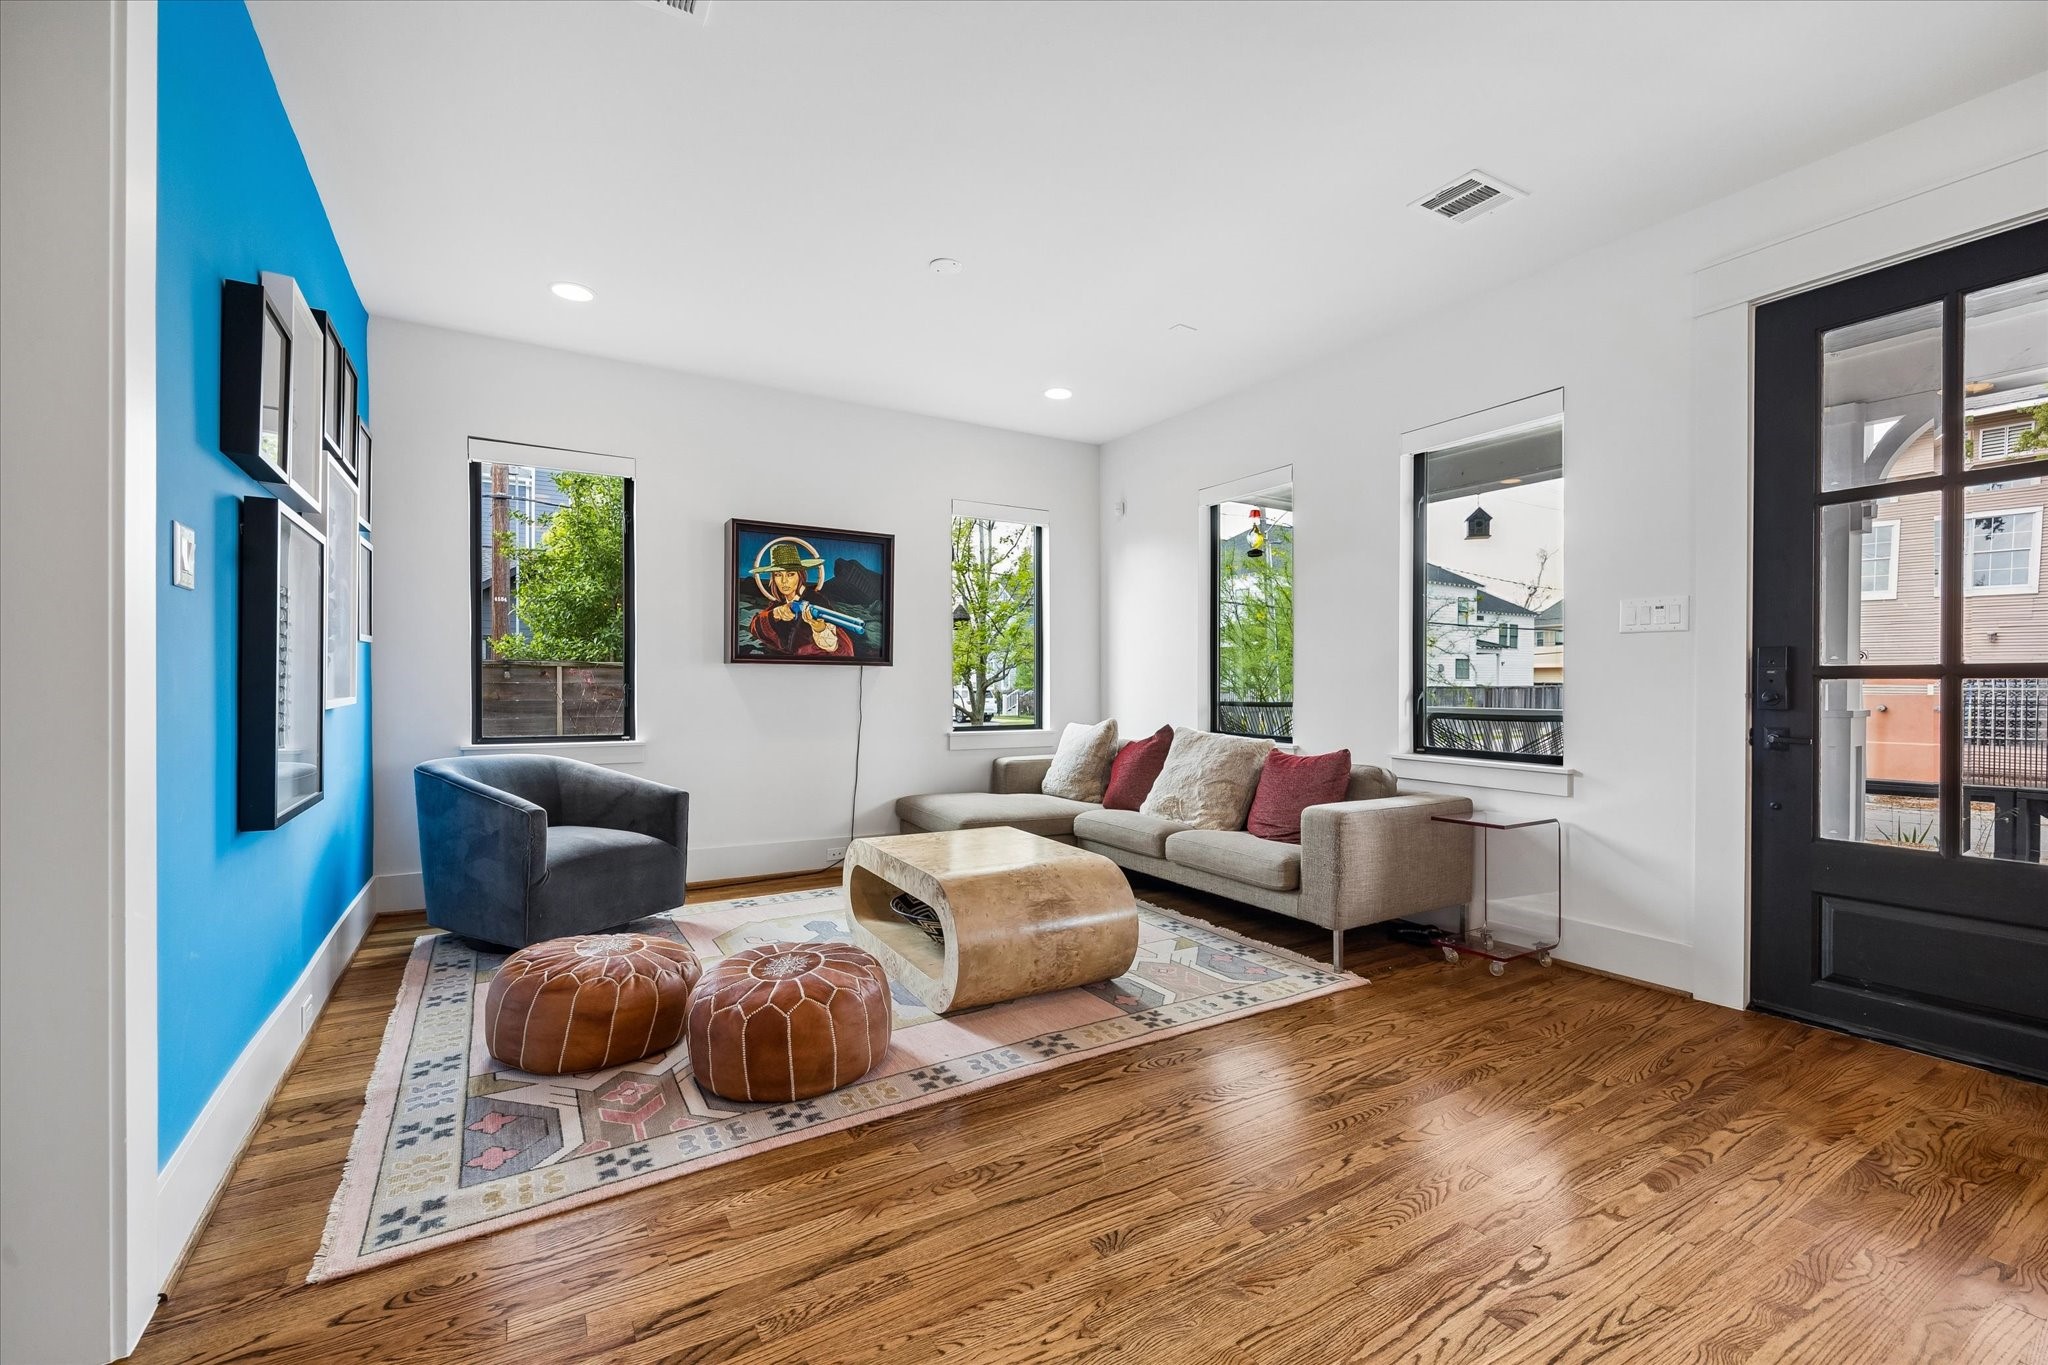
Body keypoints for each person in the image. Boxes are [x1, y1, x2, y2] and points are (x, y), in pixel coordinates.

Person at [745, 541, 853, 658]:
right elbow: (755, 628)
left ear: (800, 575)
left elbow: (838, 648)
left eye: (790, 574)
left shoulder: (816, 601)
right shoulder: (779, 604)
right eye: (778, 575)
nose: (784, 581)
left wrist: (819, 629)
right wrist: (777, 614)